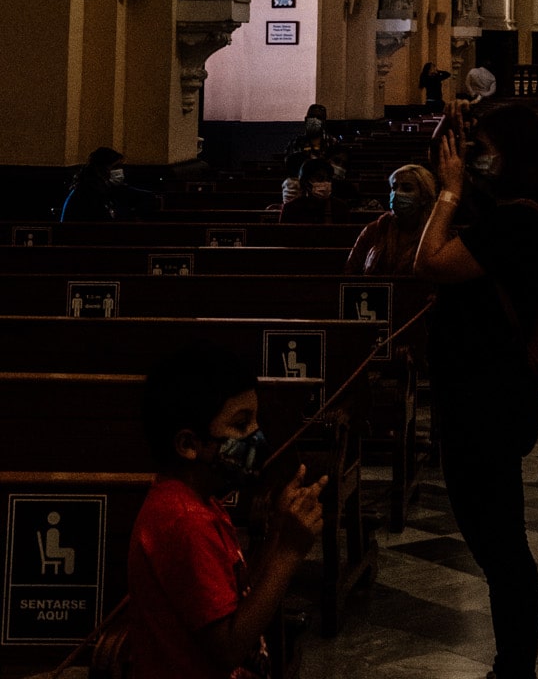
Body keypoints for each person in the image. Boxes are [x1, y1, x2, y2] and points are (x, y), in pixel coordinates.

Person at [415, 103, 538, 679]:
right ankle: (513, 661)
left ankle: (514, 665)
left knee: (500, 544)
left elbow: (433, 260)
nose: (479, 160)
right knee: (493, 538)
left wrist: (449, 192)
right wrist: (452, 137)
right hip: (473, 395)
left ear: (514, 153)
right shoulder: (501, 211)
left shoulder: (519, 221)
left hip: (489, 401)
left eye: (487, 148)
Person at [127, 340, 326, 677]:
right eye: (240, 424)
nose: (256, 434)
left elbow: (233, 592)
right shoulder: (184, 522)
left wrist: (278, 531)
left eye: (255, 420)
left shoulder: (200, 503)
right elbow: (227, 648)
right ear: (189, 444)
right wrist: (290, 552)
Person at [346, 164, 437, 275]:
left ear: (424, 197)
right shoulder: (375, 229)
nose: (397, 193)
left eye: (407, 189)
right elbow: (350, 272)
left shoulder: (435, 233)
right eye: (394, 188)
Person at [61, 146, 156, 222]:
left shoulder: (107, 187)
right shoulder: (86, 193)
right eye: (115, 167)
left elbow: (146, 196)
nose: (119, 171)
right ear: (100, 169)